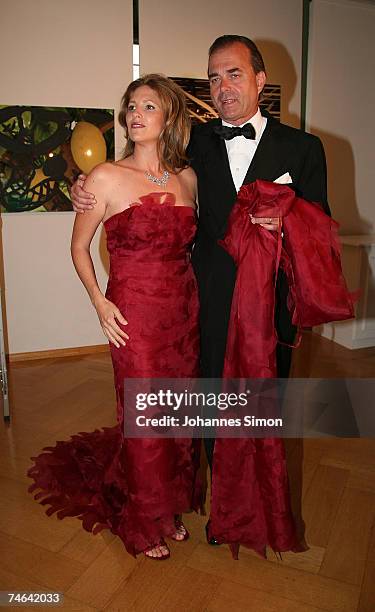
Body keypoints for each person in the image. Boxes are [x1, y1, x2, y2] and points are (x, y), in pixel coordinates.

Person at [28, 74, 201, 560]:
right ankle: (142, 517)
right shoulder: (104, 177)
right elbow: (79, 247)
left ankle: (168, 506)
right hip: (133, 312)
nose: (136, 115)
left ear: (169, 117)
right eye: (131, 107)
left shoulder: (188, 178)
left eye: (149, 106)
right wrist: (100, 303)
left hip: (183, 308)